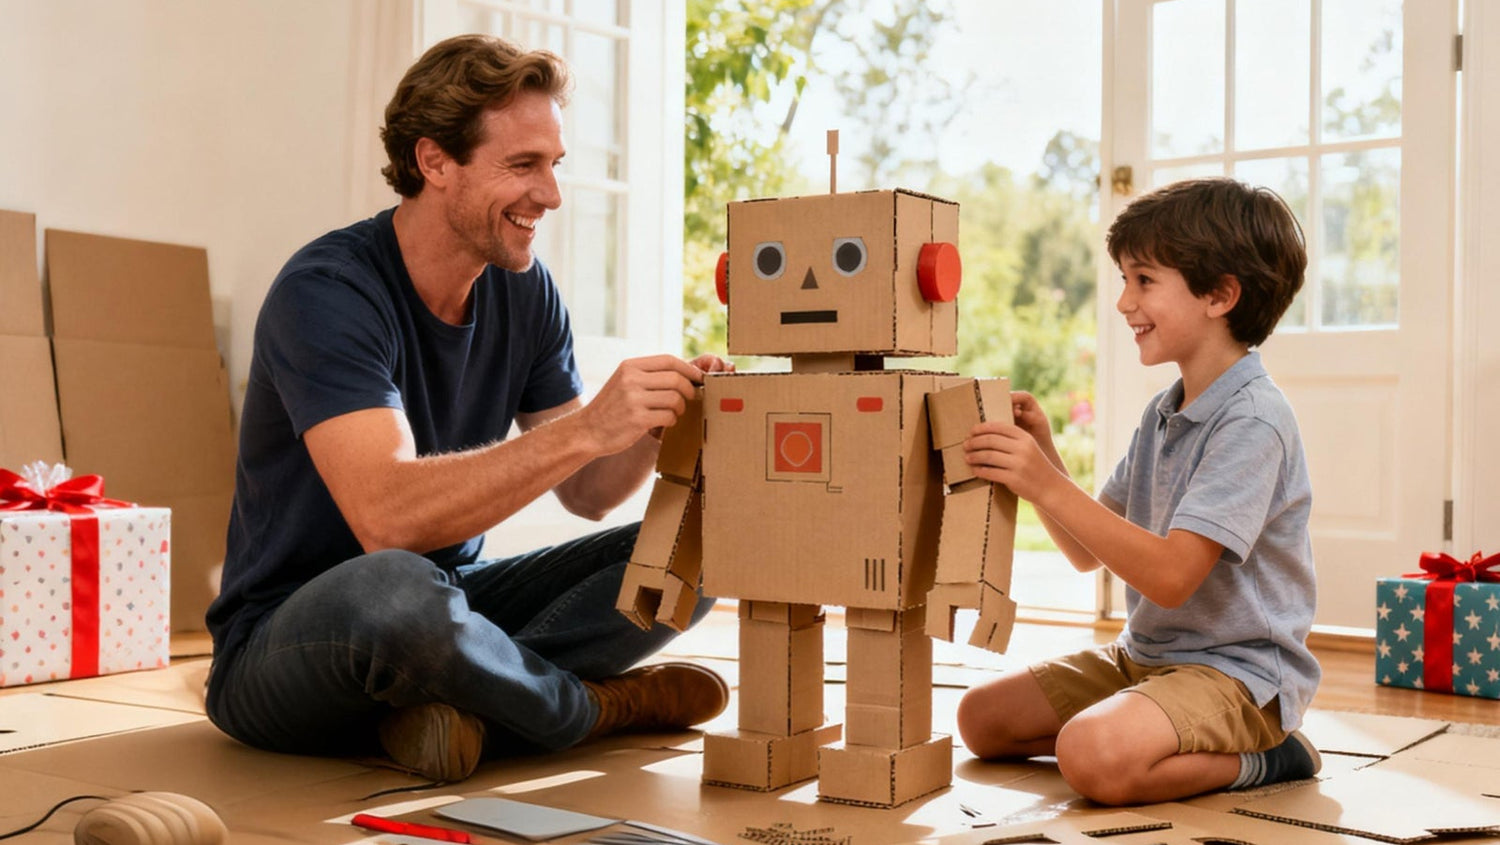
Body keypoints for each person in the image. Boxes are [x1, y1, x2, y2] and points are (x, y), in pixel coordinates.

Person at [204, 34, 730, 783]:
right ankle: (590, 708)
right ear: (434, 162)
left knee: (701, 544)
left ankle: (456, 705)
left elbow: (588, 493)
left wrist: (657, 423)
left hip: (450, 610)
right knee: (395, 587)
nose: (549, 195)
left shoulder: (524, 289)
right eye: (522, 166)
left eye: (554, 166)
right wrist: (587, 425)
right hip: (286, 642)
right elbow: (386, 520)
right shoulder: (326, 293)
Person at [956, 178, 1321, 805]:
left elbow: (1174, 577)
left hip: (1240, 676)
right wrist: (1044, 451)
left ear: (1221, 294)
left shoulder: (1253, 421)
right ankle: (1146, 727)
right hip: (1147, 658)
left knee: (1090, 756)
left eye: (1143, 280)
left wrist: (1043, 481)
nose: (1124, 302)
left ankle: (1270, 754)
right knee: (981, 720)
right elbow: (1084, 551)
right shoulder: (1166, 409)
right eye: (1125, 280)